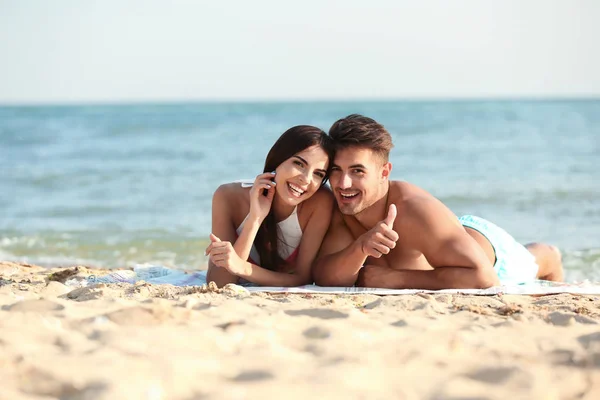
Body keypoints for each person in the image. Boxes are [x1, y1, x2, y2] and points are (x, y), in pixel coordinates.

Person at [313, 114, 564, 289]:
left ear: (384, 172)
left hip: (491, 255)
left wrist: (395, 279)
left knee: (537, 261)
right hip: (449, 236)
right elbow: (325, 276)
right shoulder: (340, 206)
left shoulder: (413, 208)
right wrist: (360, 248)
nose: (343, 184)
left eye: (357, 171)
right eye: (336, 170)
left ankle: (548, 254)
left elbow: (483, 278)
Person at [206, 125, 334, 287]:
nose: (307, 179)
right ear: (277, 159)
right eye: (299, 164)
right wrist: (255, 218)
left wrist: (242, 268)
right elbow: (219, 283)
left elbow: (303, 278)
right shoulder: (227, 196)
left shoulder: (320, 202)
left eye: (318, 174)